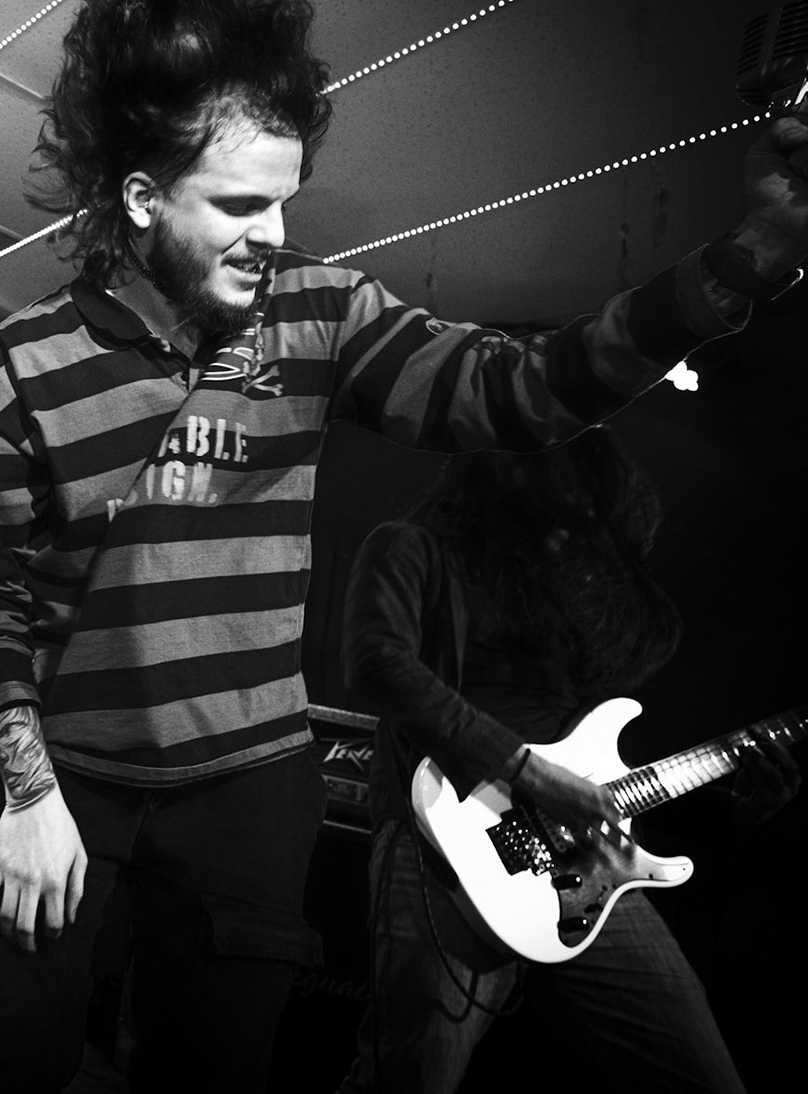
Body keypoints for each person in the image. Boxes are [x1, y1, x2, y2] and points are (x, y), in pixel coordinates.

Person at [0, 0, 808, 1094]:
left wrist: (753, 259)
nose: (274, 231)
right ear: (142, 199)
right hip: (63, 777)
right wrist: (29, 793)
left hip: (247, 786)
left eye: (285, 198)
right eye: (239, 204)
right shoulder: (10, 376)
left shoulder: (320, 314)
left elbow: (522, 390)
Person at [337, 431, 799, 1093]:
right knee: (411, 1077)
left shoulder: (560, 602)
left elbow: (596, 775)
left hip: (582, 867)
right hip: (443, 846)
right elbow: (377, 664)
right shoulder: (411, 546)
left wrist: (728, 811)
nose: (575, 525)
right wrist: (527, 773)